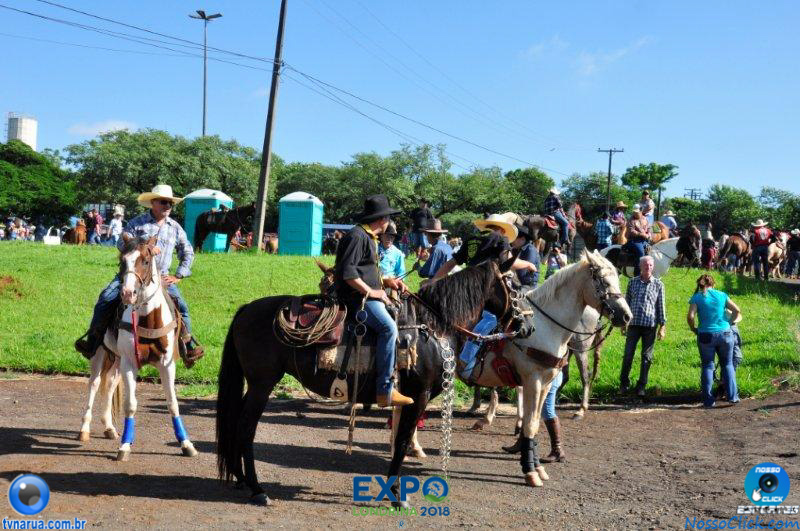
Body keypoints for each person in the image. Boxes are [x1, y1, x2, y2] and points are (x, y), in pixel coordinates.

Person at [75, 184, 203, 365]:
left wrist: (179, 275)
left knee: (181, 307)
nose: (168, 206)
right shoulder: (137, 223)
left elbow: (188, 252)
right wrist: (146, 247)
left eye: (170, 203)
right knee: (106, 298)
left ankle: (187, 346)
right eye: (163, 202)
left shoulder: (175, 227)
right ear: (153, 203)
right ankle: (93, 341)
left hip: (161, 278)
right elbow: (121, 243)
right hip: (131, 275)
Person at [334, 194, 413, 407]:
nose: (388, 222)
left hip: (365, 295)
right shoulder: (358, 236)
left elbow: (363, 271)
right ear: (382, 219)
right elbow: (349, 274)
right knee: (389, 329)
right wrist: (373, 292)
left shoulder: (368, 237)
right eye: (388, 217)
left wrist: (387, 282)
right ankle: (384, 390)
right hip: (356, 299)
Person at [687, 274, 741, 408]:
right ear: (713, 284)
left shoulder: (697, 297)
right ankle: (733, 397)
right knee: (727, 365)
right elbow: (737, 310)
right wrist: (729, 322)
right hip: (725, 334)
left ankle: (708, 401)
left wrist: (693, 328)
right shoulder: (722, 295)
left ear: (699, 285)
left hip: (705, 335)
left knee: (707, 366)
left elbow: (690, 316)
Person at [620, 256, 666, 397]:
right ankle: (624, 384)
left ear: (653, 267)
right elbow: (626, 303)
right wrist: (623, 322)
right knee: (628, 355)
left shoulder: (658, 284)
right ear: (640, 266)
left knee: (647, 357)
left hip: (649, 326)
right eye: (645, 265)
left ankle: (641, 386)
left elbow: (661, 306)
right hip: (633, 325)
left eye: (650, 265)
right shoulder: (632, 282)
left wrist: (662, 326)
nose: (648, 267)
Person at [511, 223, 539, 288]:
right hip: (518, 282)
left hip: (527, 286)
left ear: (522, 239)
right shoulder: (517, 248)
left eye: (514, 238)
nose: (512, 241)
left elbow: (523, 273)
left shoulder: (530, 250)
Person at [623, 210, 651, 276]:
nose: (635, 214)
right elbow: (631, 230)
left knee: (651, 250)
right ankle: (637, 274)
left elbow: (649, 228)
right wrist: (642, 234)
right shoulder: (631, 220)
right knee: (641, 253)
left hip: (644, 240)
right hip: (634, 240)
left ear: (640, 212)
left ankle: (648, 269)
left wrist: (649, 233)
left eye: (637, 212)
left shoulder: (645, 219)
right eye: (634, 212)